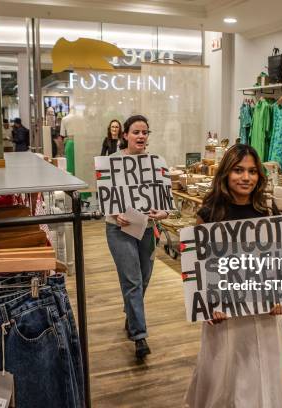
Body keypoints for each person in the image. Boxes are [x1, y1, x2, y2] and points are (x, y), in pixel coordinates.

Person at [185, 144, 282, 408]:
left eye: (252, 171)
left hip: (264, 311)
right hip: (226, 313)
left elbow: (279, 259)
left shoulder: (268, 210)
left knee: (261, 371)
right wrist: (208, 305)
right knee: (223, 374)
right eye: (238, 170)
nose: (246, 177)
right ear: (226, 173)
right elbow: (199, 264)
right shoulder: (210, 213)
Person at [105, 115, 169, 359]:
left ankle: (132, 315)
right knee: (132, 280)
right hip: (118, 228)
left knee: (144, 276)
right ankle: (139, 336)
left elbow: (165, 196)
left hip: (146, 226)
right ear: (125, 135)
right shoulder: (111, 162)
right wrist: (114, 211)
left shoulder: (156, 162)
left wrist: (163, 212)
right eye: (136, 132)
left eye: (145, 132)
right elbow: (104, 194)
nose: (141, 136)